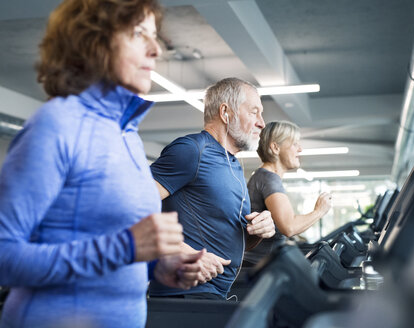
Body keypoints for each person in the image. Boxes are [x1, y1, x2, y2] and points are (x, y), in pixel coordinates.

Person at [0, 1, 204, 327]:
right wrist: (125, 247)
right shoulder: (56, 124)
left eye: (155, 37)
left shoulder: (126, 134)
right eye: (139, 34)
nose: (155, 50)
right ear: (94, 40)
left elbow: (113, 247)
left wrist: (157, 266)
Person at [149, 77, 276, 299]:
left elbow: (232, 239)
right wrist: (185, 251)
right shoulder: (192, 151)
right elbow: (128, 208)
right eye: (254, 112)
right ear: (226, 112)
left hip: (215, 292)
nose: (262, 123)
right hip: (186, 294)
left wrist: (258, 230)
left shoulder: (233, 164)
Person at [243, 121, 332, 266]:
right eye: (294, 144)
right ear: (275, 147)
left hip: (263, 265)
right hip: (259, 270)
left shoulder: (265, 176)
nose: (300, 149)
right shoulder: (268, 178)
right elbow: (289, 227)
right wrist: (319, 211)